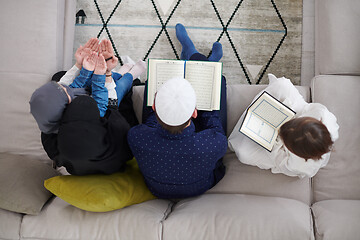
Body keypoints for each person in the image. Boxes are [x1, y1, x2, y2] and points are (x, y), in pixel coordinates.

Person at [127, 23, 228, 199]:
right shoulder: (214, 144)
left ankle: (191, 54)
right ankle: (203, 61)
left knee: (152, 82)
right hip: (200, 186)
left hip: (158, 189)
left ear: (155, 107)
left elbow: (151, 122)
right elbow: (212, 120)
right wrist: (208, 82)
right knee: (219, 82)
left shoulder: (137, 138)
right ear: (195, 113)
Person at [30, 38, 145, 175]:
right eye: (68, 93)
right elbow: (110, 106)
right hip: (112, 136)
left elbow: (73, 90)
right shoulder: (119, 134)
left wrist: (81, 66)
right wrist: (105, 73)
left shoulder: (50, 133)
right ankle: (129, 75)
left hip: (81, 164)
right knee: (120, 91)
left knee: (61, 77)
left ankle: (119, 74)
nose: (68, 89)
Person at [228, 73, 339, 178]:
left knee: (243, 153)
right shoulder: (322, 114)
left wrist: (274, 142)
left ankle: (254, 121)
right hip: (295, 114)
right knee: (283, 85)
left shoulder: (300, 166)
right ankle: (262, 112)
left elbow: (278, 159)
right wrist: (287, 112)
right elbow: (304, 107)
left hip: (278, 150)